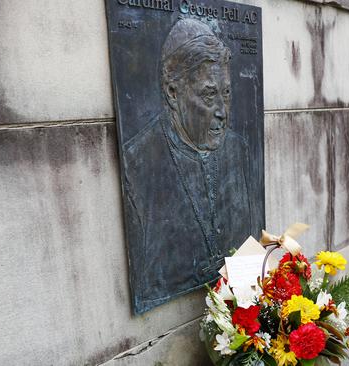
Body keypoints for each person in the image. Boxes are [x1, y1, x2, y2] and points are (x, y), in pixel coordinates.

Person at [121, 19, 257, 314]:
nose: (222, 111)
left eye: (227, 93)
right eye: (209, 95)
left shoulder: (239, 150)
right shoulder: (138, 161)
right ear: (173, 92)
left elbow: (249, 243)